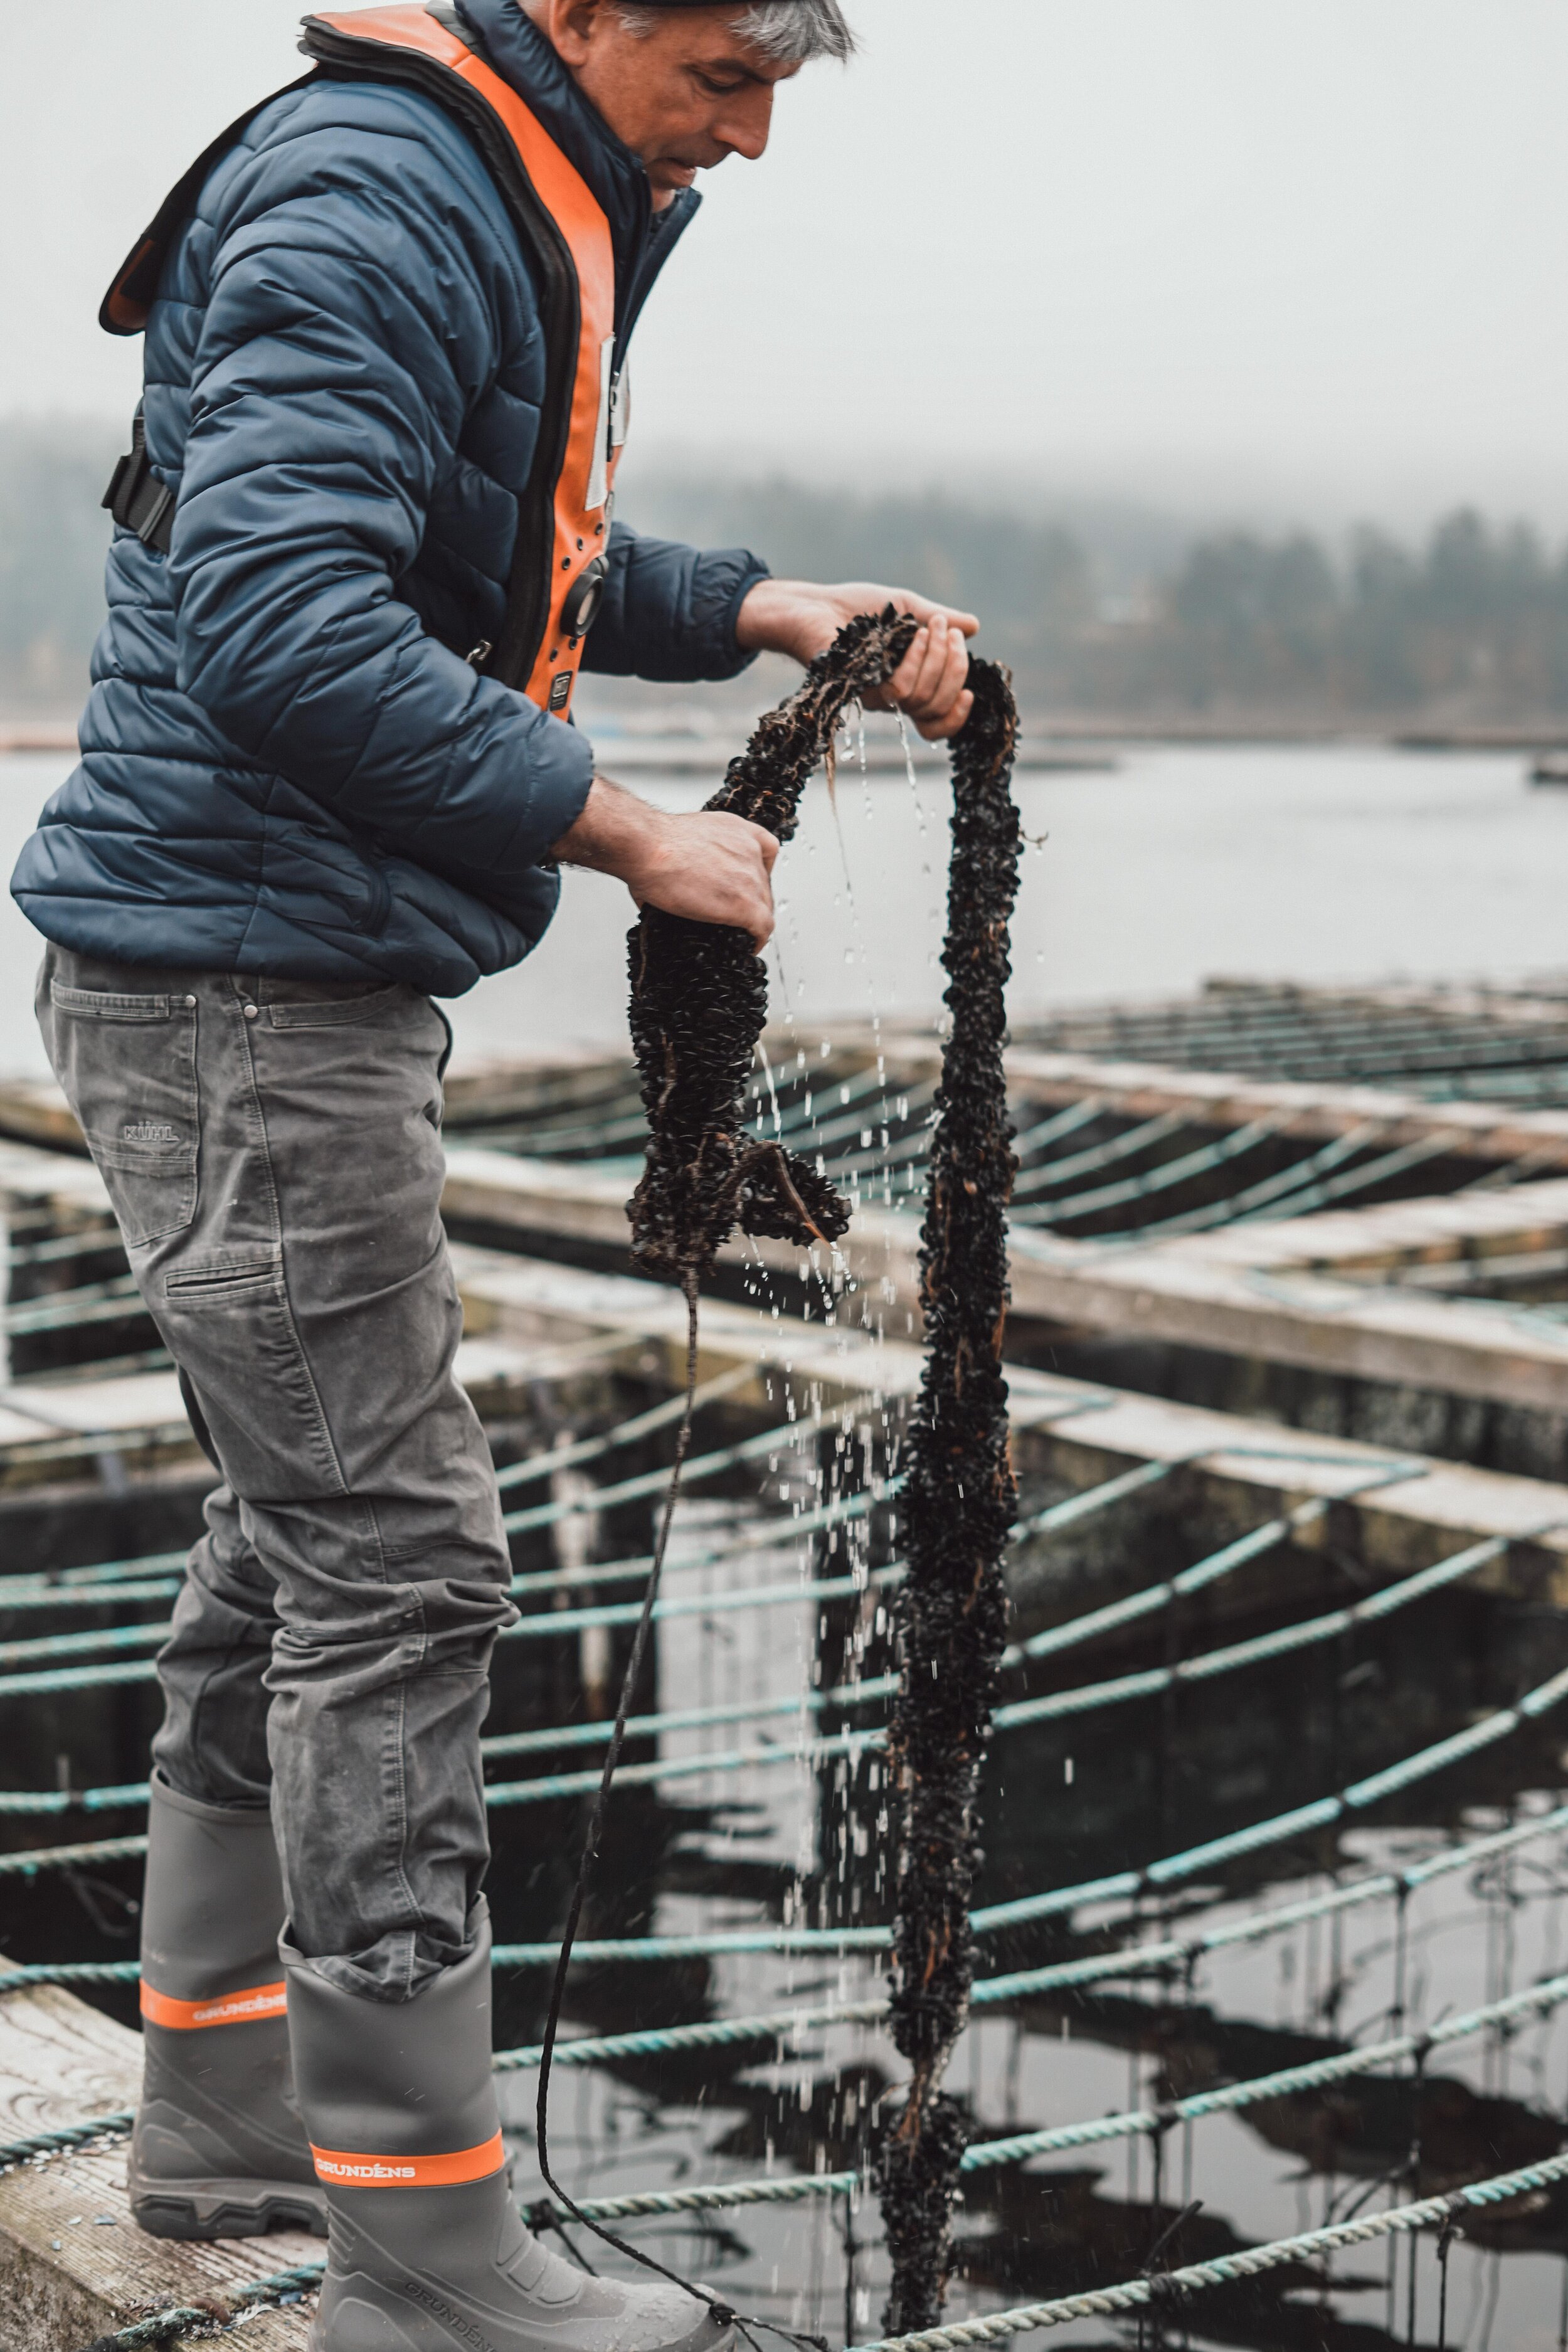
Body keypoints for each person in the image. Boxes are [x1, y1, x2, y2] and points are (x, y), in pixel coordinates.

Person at [12, 5, 976, 2345]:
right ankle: (430, 2256)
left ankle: (226, 2124)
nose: (748, 133)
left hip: (281, 976)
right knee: (403, 1563)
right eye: (727, 68)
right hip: (245, 992)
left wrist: (745, 603)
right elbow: (278, 615)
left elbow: (489, 562)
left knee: (294, 1532)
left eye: (784, 92)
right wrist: (640, 828)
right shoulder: (387, 189)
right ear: (577, 6)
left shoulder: (506, 187)